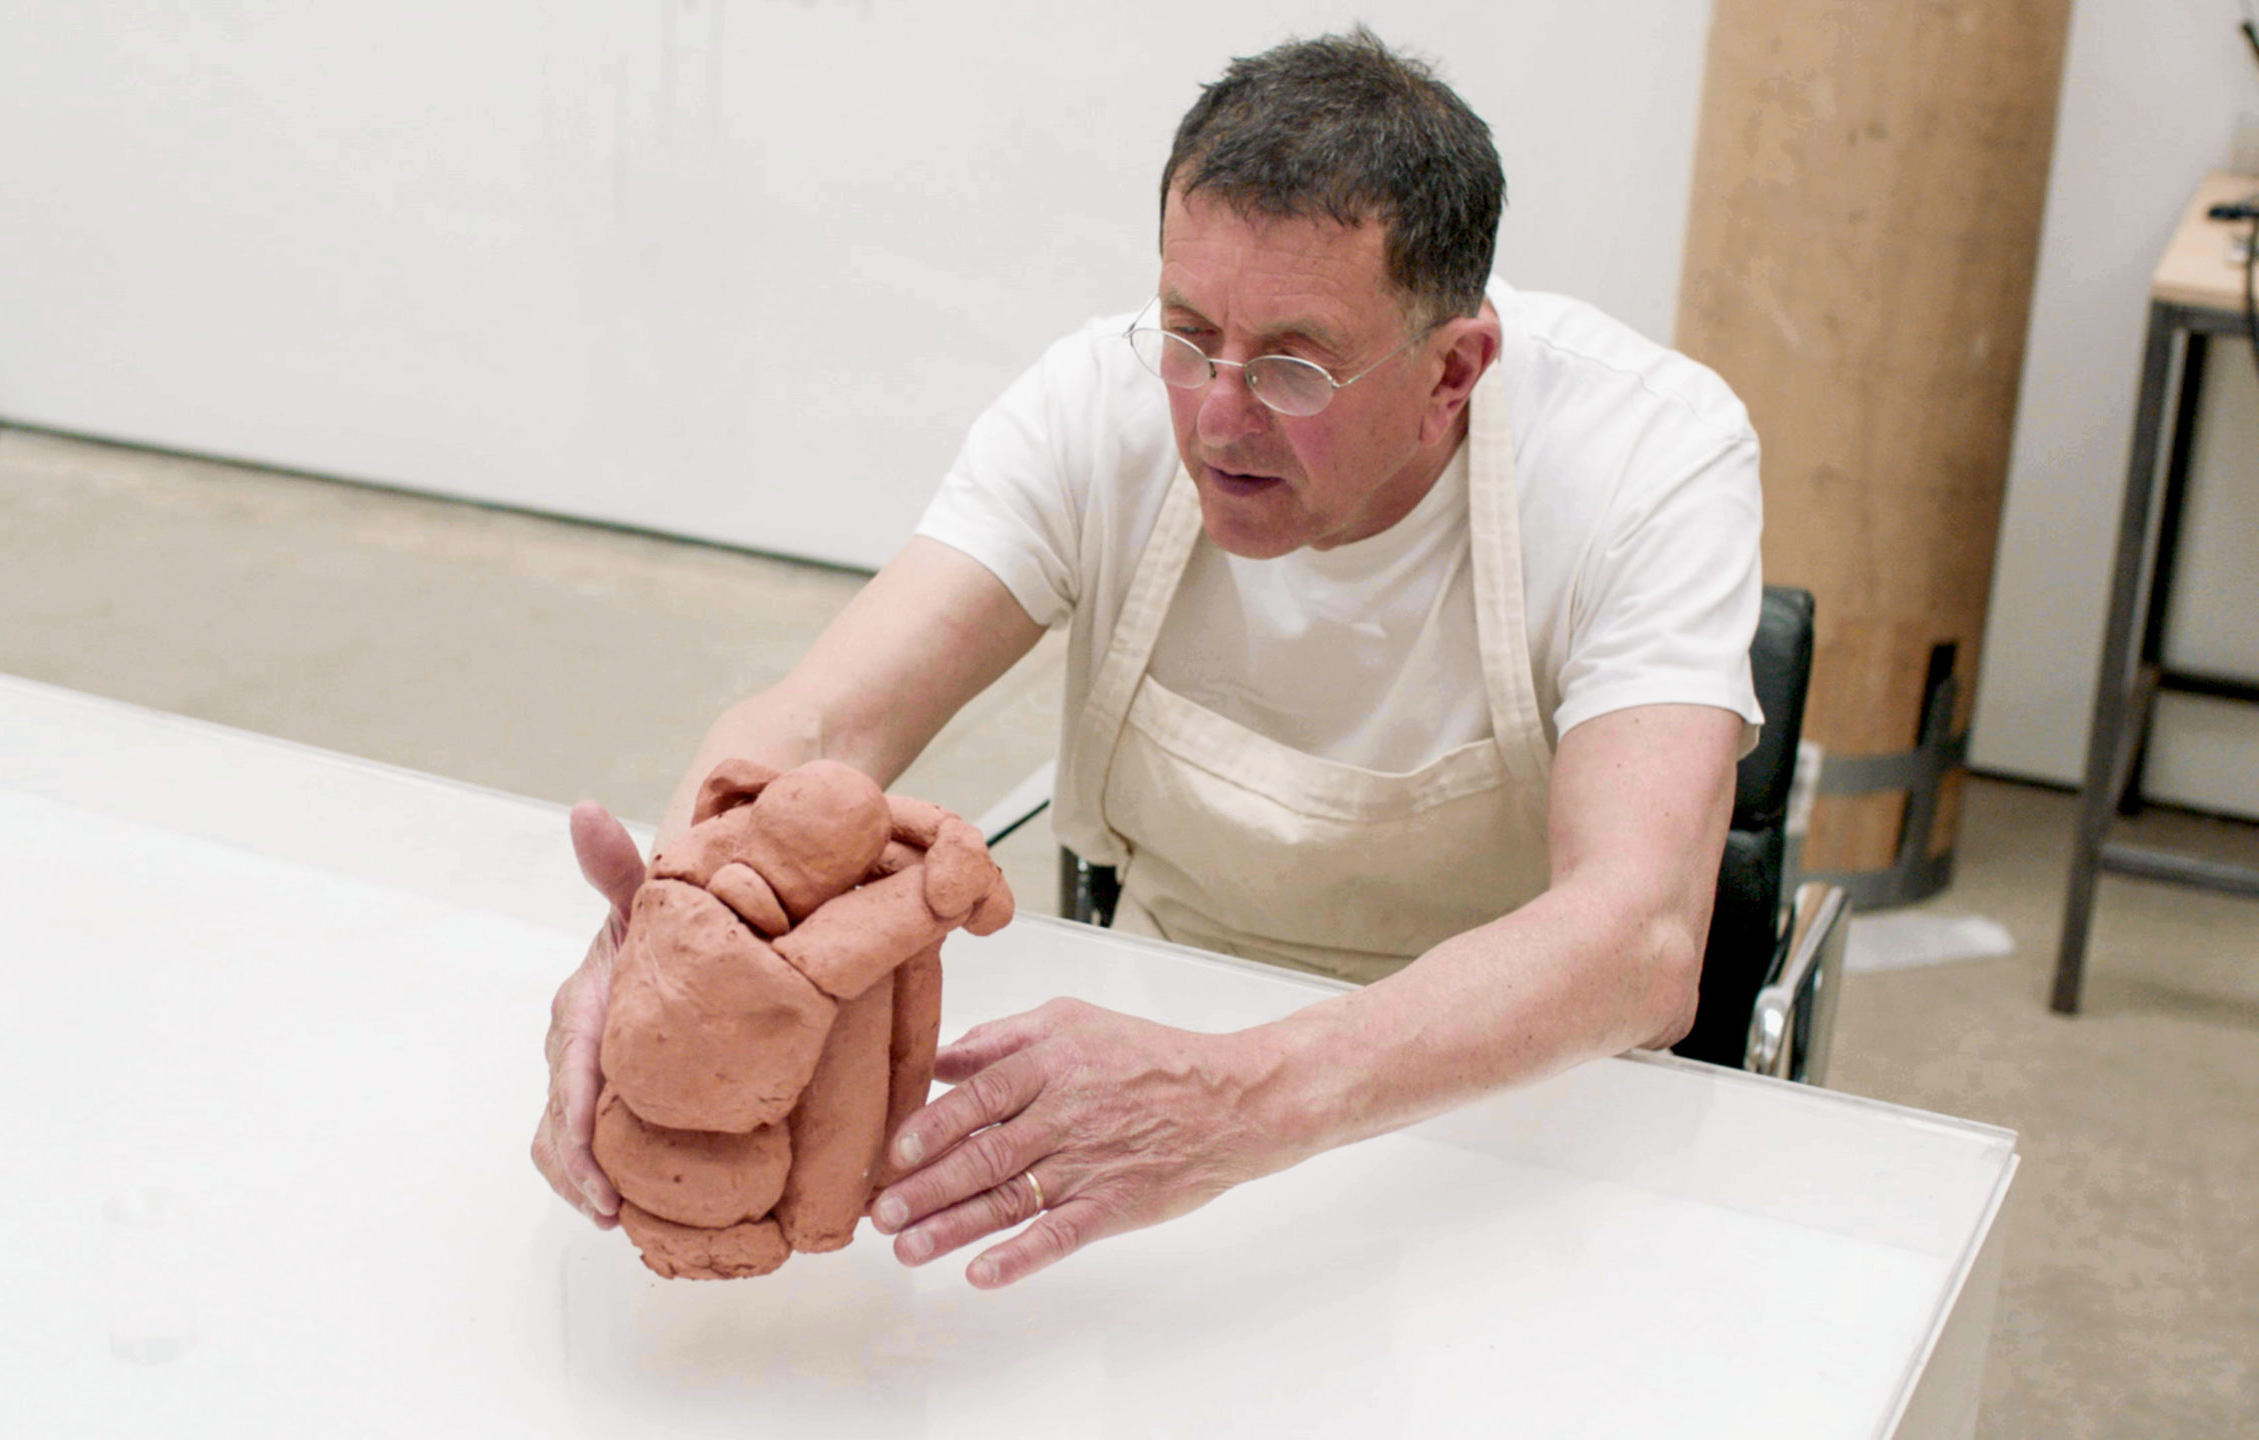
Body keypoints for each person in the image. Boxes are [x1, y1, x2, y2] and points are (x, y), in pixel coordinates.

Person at [534, 26, 1762, 1290]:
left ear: (1451, 371)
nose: (1217, 414)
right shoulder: (1098, 400)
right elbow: (828, 726)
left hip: (1517, 1107)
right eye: (1186, 336)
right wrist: (659, 934)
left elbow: (1639, 939)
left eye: (1293, 364)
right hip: (1165, 1018)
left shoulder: (1646, 460)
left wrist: (1243, 1101)